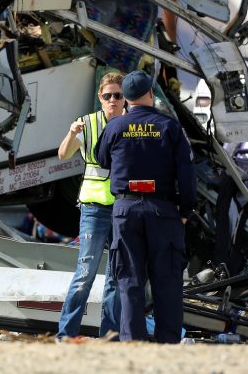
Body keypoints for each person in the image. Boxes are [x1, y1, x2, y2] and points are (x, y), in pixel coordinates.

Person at [94, 71, 195, 343]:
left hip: (126, 211)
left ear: (125, 98)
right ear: (151, 93)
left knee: (129, 283)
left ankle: (133, 349)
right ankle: (166, 348)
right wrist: (185, 211)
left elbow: (100, 158)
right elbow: (186, 173)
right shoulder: (170, 127)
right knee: (167, 285)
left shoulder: (115, 127)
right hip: (163, 211)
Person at [56, 71, 125, 339]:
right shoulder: (88, 123)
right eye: (107, 96)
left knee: (116, 279)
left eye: (117, 96)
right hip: (95, 209)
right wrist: (71, 133)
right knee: (85, 274)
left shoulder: (132, 123)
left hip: (122, 209)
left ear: (124, 98)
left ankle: (109, 337)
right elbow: (63, 154)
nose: (112, 101)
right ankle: (66, 335)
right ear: (100, 97)